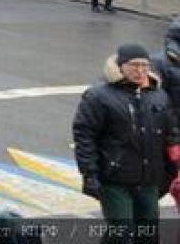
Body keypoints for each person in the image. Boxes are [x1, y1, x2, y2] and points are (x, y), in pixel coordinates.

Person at [73, 44, 180, 241]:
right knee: (120, 233)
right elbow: (85, 137)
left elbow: (170, 133)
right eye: (134, 65)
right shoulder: (98, 96)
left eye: (144, 66)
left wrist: (172, 169)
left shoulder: (158, 95)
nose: (140, 71)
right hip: (114, 179)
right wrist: (89, 174)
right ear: (120, 66)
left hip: (148, 180)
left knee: (147, 234)